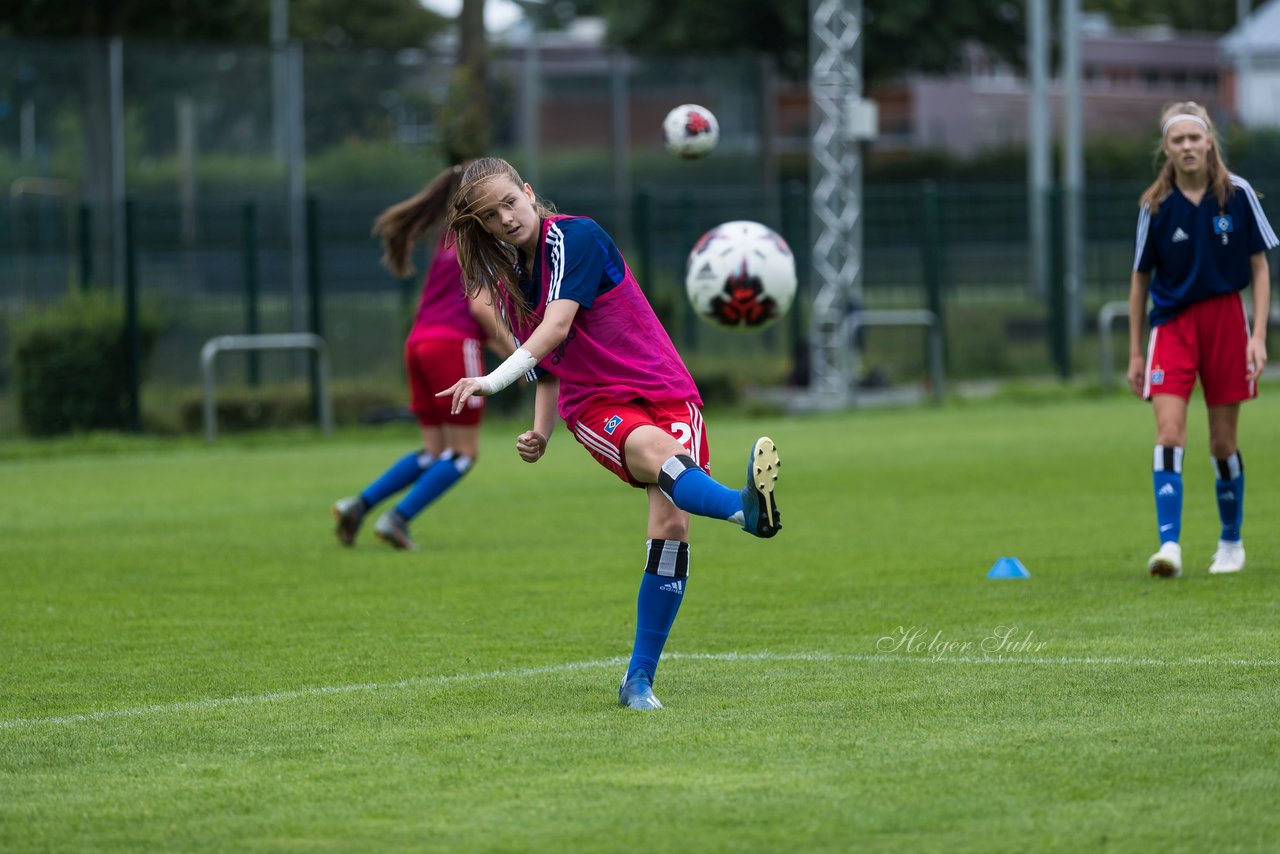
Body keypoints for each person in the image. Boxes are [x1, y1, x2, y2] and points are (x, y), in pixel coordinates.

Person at [436, 157, 782, 711]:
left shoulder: (575, 237)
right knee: (655, 454)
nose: (505, 218)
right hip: (597, 405)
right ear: (481, 228)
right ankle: (745, 510)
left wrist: (490, 380)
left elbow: (558, 327)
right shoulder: (512, 286)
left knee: (671, 522)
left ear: (528, 192)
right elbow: (549, 361)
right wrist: (540, 432)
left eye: (509, 202)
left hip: (666, 389)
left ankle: (637, 682)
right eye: (490, 216)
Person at [1127, 101, 1277, 578]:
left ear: (1209, 140)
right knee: (1169, 432)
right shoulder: (1155, 206)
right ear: (1166, 149)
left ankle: (1231, 542)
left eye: (1195, 138)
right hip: (1171, 325)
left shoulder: (1237, 194)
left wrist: (1257, 335)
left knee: (1222, 443)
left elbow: (1259, 266)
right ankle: (1169, 547)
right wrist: (1135, 351)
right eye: (1178, 140)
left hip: (1226, 323)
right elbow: (1139, 282)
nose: (1188, 146)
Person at [332, 162, 512, 551]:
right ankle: (397, 519)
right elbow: (481, 310)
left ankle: (358, 505)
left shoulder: (450, 237)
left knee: (435, 451)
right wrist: (524, 356)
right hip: (453, 346)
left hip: (418, 344)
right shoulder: (479, 240)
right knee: (463, 454)